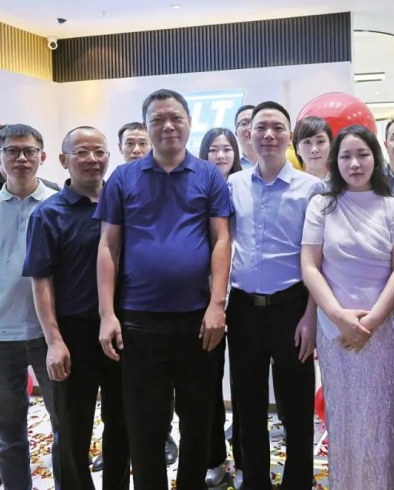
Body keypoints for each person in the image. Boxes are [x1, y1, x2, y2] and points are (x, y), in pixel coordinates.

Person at [96, 88, 232, 489]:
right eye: (157, 120)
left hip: (198, 321)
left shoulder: (208, 175)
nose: (168, 126)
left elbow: (221, 240)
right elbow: (108, 246)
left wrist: (217, 305)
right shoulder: (123, 178)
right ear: (146, 126)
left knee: (198, 419)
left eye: (176, 118)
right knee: (145, 423)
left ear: (190, 123)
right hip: (139, 320)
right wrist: (107, 314)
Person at [301, 125, 394, 489]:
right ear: (335, 161)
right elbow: (310, 266)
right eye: (346, 156)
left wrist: (373, 321)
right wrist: (338, 317)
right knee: (344, 423)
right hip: (335, 332)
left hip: (382, 333)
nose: (355, 163)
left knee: (381, 424)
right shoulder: (321, 205)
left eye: (362, 154)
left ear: (375, 158)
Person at [23, 126, 130, 490]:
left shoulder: (123, 206)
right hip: (73, 333)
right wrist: (54, 340)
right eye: (82, 152)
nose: (92, 159)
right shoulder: (48, 214)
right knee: (72, 426)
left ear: (109, 157)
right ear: (63, 160)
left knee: (122, 421)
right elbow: (41, 281)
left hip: (122, 330)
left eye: (99, 152)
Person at [226, 101, 321, 490]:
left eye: (278, 128)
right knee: (248, 405)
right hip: (243, 310)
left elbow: (320, 259)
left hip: (292, 308)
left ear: (290, 137)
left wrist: (311, 316)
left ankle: (297, 481)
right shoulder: (233, 185)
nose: (268, 135)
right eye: (261, 127)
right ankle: (255, 481)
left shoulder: (311, 189)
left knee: (296, 406)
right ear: (248, 135)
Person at [0, 123, 61, 489]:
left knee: (64, 424)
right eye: (12, 151)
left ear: (42, 157)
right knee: (8, 431)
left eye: (29, 151)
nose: (21, 158)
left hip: (51, 333)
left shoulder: (58, 202)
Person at [197, 126, 242, 487]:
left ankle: (244, 457)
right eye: (213, 149)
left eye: (227, 149)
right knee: (207, 384)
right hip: (203, 299)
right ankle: (214, 458)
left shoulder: (246, 187)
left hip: (242, 296)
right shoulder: (196, 188)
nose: (220, 155)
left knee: (244, 384)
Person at [293, 116, 332, 180]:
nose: (314, 150)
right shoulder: (291, 185)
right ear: (297, 149)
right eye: (307, 142)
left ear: (331, 145)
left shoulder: (343, 183)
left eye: (320, 141)